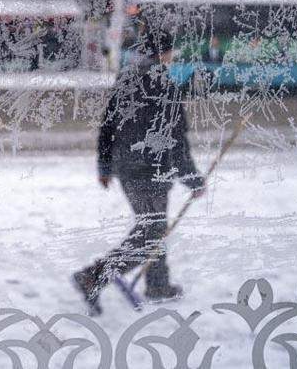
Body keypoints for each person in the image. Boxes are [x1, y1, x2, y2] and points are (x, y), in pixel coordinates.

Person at [73, 27, 205, 315]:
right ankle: (94, 276)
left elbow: (108, 124)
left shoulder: (126, 76)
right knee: (152, 229)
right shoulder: (165, 84)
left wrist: (105, 166)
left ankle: (158, 284)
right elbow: (176, 138)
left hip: (126, 167)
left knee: (152, 224)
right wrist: (193, 178)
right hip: (151, 169)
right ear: (165, 52)